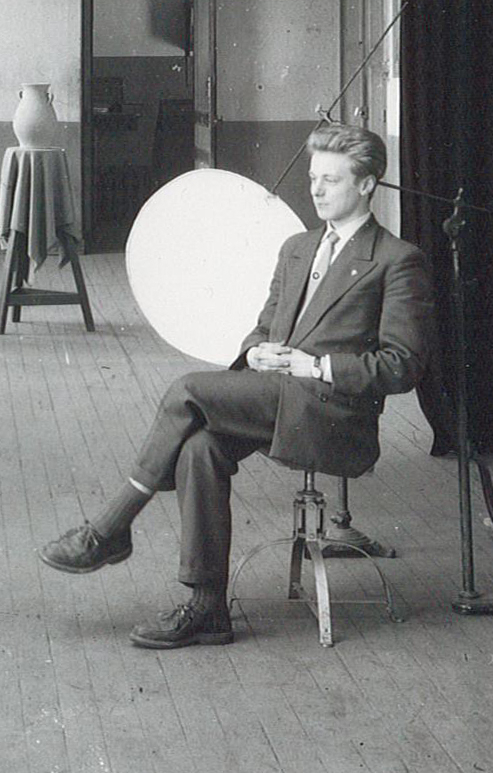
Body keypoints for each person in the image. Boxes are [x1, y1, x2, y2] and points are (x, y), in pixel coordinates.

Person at [39, 123, 433, 648]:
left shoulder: (396, 260)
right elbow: (264, 326)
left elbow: (402, 365)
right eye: (313, 178)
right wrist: (256, 351)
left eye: (331, 180)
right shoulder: (297, 247)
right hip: (274, 397)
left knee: (188, 390)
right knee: (198, 449)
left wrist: (312, 368)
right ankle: (206, 608)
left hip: (333, 414)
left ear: (366, 186)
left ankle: (109, 530)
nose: (315, 190)